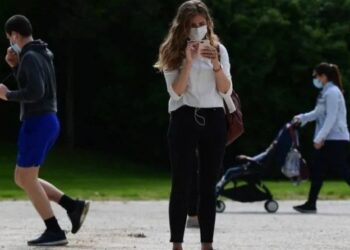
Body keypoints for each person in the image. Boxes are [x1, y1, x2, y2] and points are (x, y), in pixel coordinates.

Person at [0, 15, 90, 246]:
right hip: (47, 120)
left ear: (15, 35)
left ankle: (54, 231)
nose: (10, 43)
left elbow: (35, 92)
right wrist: (15, 66)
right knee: (24, 177)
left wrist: (7, 95)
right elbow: (35, 85)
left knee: (26, 179)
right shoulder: (40, 52)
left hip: (38, 122)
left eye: (10, 38)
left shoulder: (30, 55)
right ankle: (73, 206)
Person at [155, 1, 234, 249]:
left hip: (213, 118)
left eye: (202, 24)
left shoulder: (219, 50)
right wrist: (188, 62)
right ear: (183, 27)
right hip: (184, 117)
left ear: (208, 24)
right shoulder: (172, 50)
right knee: (181, 182)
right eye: (193, 25)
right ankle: (176, 243)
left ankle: (207, 244)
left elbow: (226, 89)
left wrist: (216, 65)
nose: (199, 29)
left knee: (208, 185)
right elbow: (176, 93)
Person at [293, 62, 350, 213]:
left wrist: (320, 138)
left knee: (343, 171)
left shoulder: (332, 92)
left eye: (316, 76)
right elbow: (318, 113)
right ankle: (311, 204)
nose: (315, 79)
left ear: (323, 76)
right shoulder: (326, 91)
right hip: (329, 139)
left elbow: (331, 117)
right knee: (318, 170)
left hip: (335, 139)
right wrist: (302, 118)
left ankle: (311, 203)